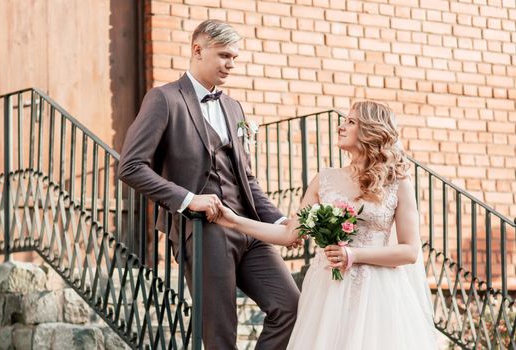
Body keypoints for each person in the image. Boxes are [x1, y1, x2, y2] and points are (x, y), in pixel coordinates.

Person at [118, 19, 299, 350]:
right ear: (197, 50)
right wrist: (189, 200)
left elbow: (246, 179)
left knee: (290, 307)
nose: (230, 65)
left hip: (249, 228)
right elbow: (131, 166)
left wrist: (278, 220)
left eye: (235, 58)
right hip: (203, 230)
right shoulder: (164, 99)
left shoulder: (233, 107)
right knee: (220, 333)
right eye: (224, 56)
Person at [216, 101, 439, 349]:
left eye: (351, 122)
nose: (341, 127)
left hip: (376, 294)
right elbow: (289, 234)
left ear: (371, 130)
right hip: (328, 291)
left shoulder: (397, 183)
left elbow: (409, 251)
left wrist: (353, 254)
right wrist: (235, 221)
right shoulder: (325, 179)